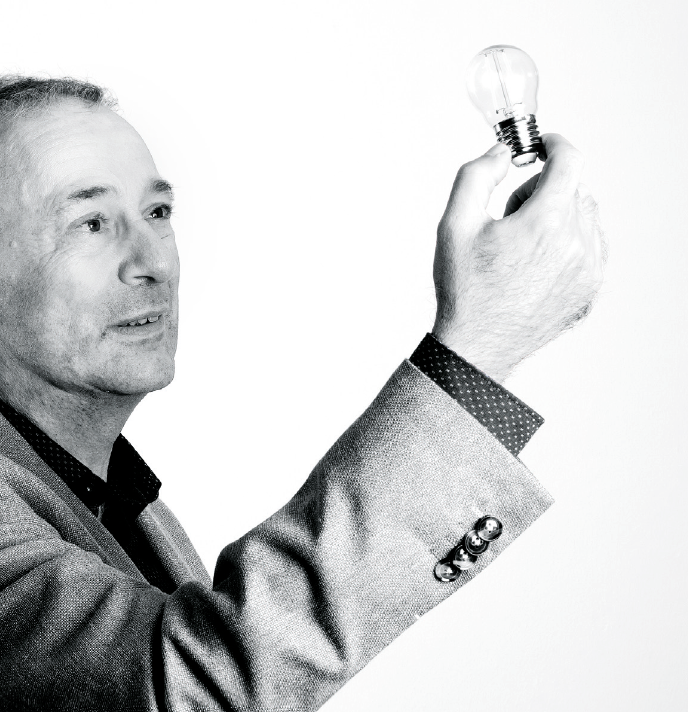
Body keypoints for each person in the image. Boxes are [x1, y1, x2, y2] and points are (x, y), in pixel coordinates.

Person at [0, 77, 604, 711]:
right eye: (91, 223)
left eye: (157, 213)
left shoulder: (123, 508)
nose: (153, 262)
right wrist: (474, 353)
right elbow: (188, 685)